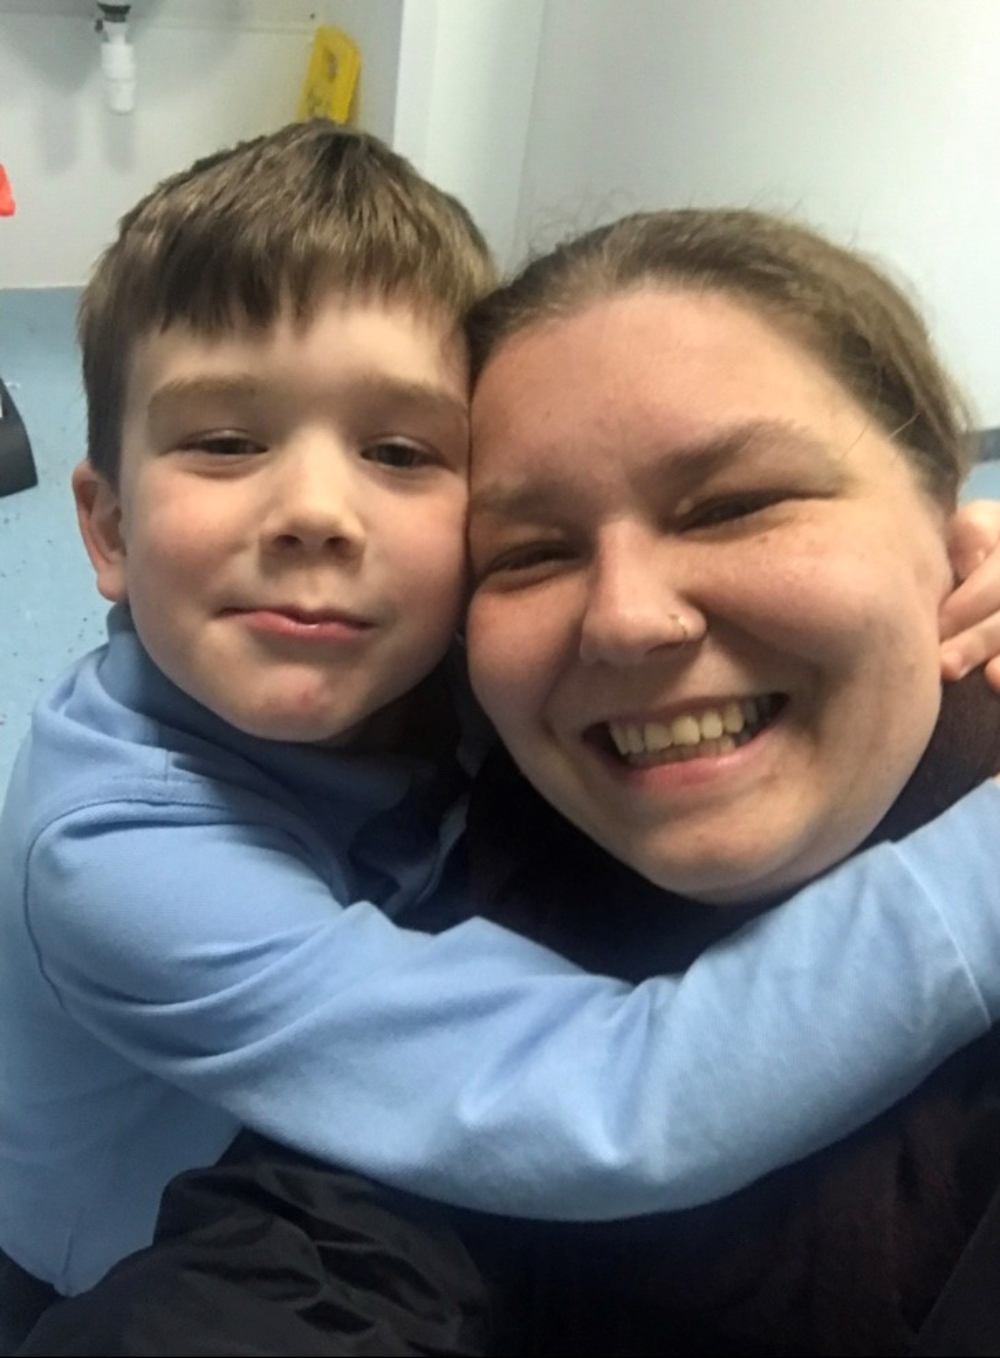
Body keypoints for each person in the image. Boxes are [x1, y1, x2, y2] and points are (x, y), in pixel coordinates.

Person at [4, 128, 1000, 1341]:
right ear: (105, 534)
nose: (317, 510)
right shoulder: (109, 855)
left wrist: (945, 555)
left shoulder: (429, 646)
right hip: (111, 1232)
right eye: (223, 440)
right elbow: (610, 1097)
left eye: (399, 451)